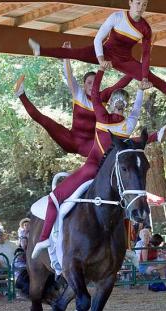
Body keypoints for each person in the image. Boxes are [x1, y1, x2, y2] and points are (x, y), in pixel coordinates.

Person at [32, 68, 153, 258]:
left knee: (55, 198)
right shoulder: (128, 124)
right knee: (125, 200)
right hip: (111, 174)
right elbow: (136, 110)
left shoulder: (102, 117)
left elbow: (95, 96)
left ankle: (45, 237)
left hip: (91, 169)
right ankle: (127, 247)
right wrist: (140, 90)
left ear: (110, 103)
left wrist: (101, 71)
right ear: (125, 105)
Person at [28, 0, 166, 108]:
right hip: (104, 52)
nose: (141, 8)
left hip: (124, 60)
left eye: (145, 5)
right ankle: (40, 50)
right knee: (73, 53)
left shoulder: (146, 28)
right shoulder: (117, 17)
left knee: (156, 80)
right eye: (138, 3)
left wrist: (144, 77)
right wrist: (100, 59)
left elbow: (146, 56)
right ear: (130, 3)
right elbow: (98, 38)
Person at [15, 60, 133, 156]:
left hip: (91, 146)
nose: (92, 86)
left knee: (111, 149)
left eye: (95, 82)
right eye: (89, 83)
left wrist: (140, 69)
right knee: (45, 121)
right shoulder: (79, 94)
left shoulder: (104, 96)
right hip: (71, 141)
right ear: (84, 84)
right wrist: (66, 57)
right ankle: (21, 94)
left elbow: (121, 84)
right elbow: (69, 76)